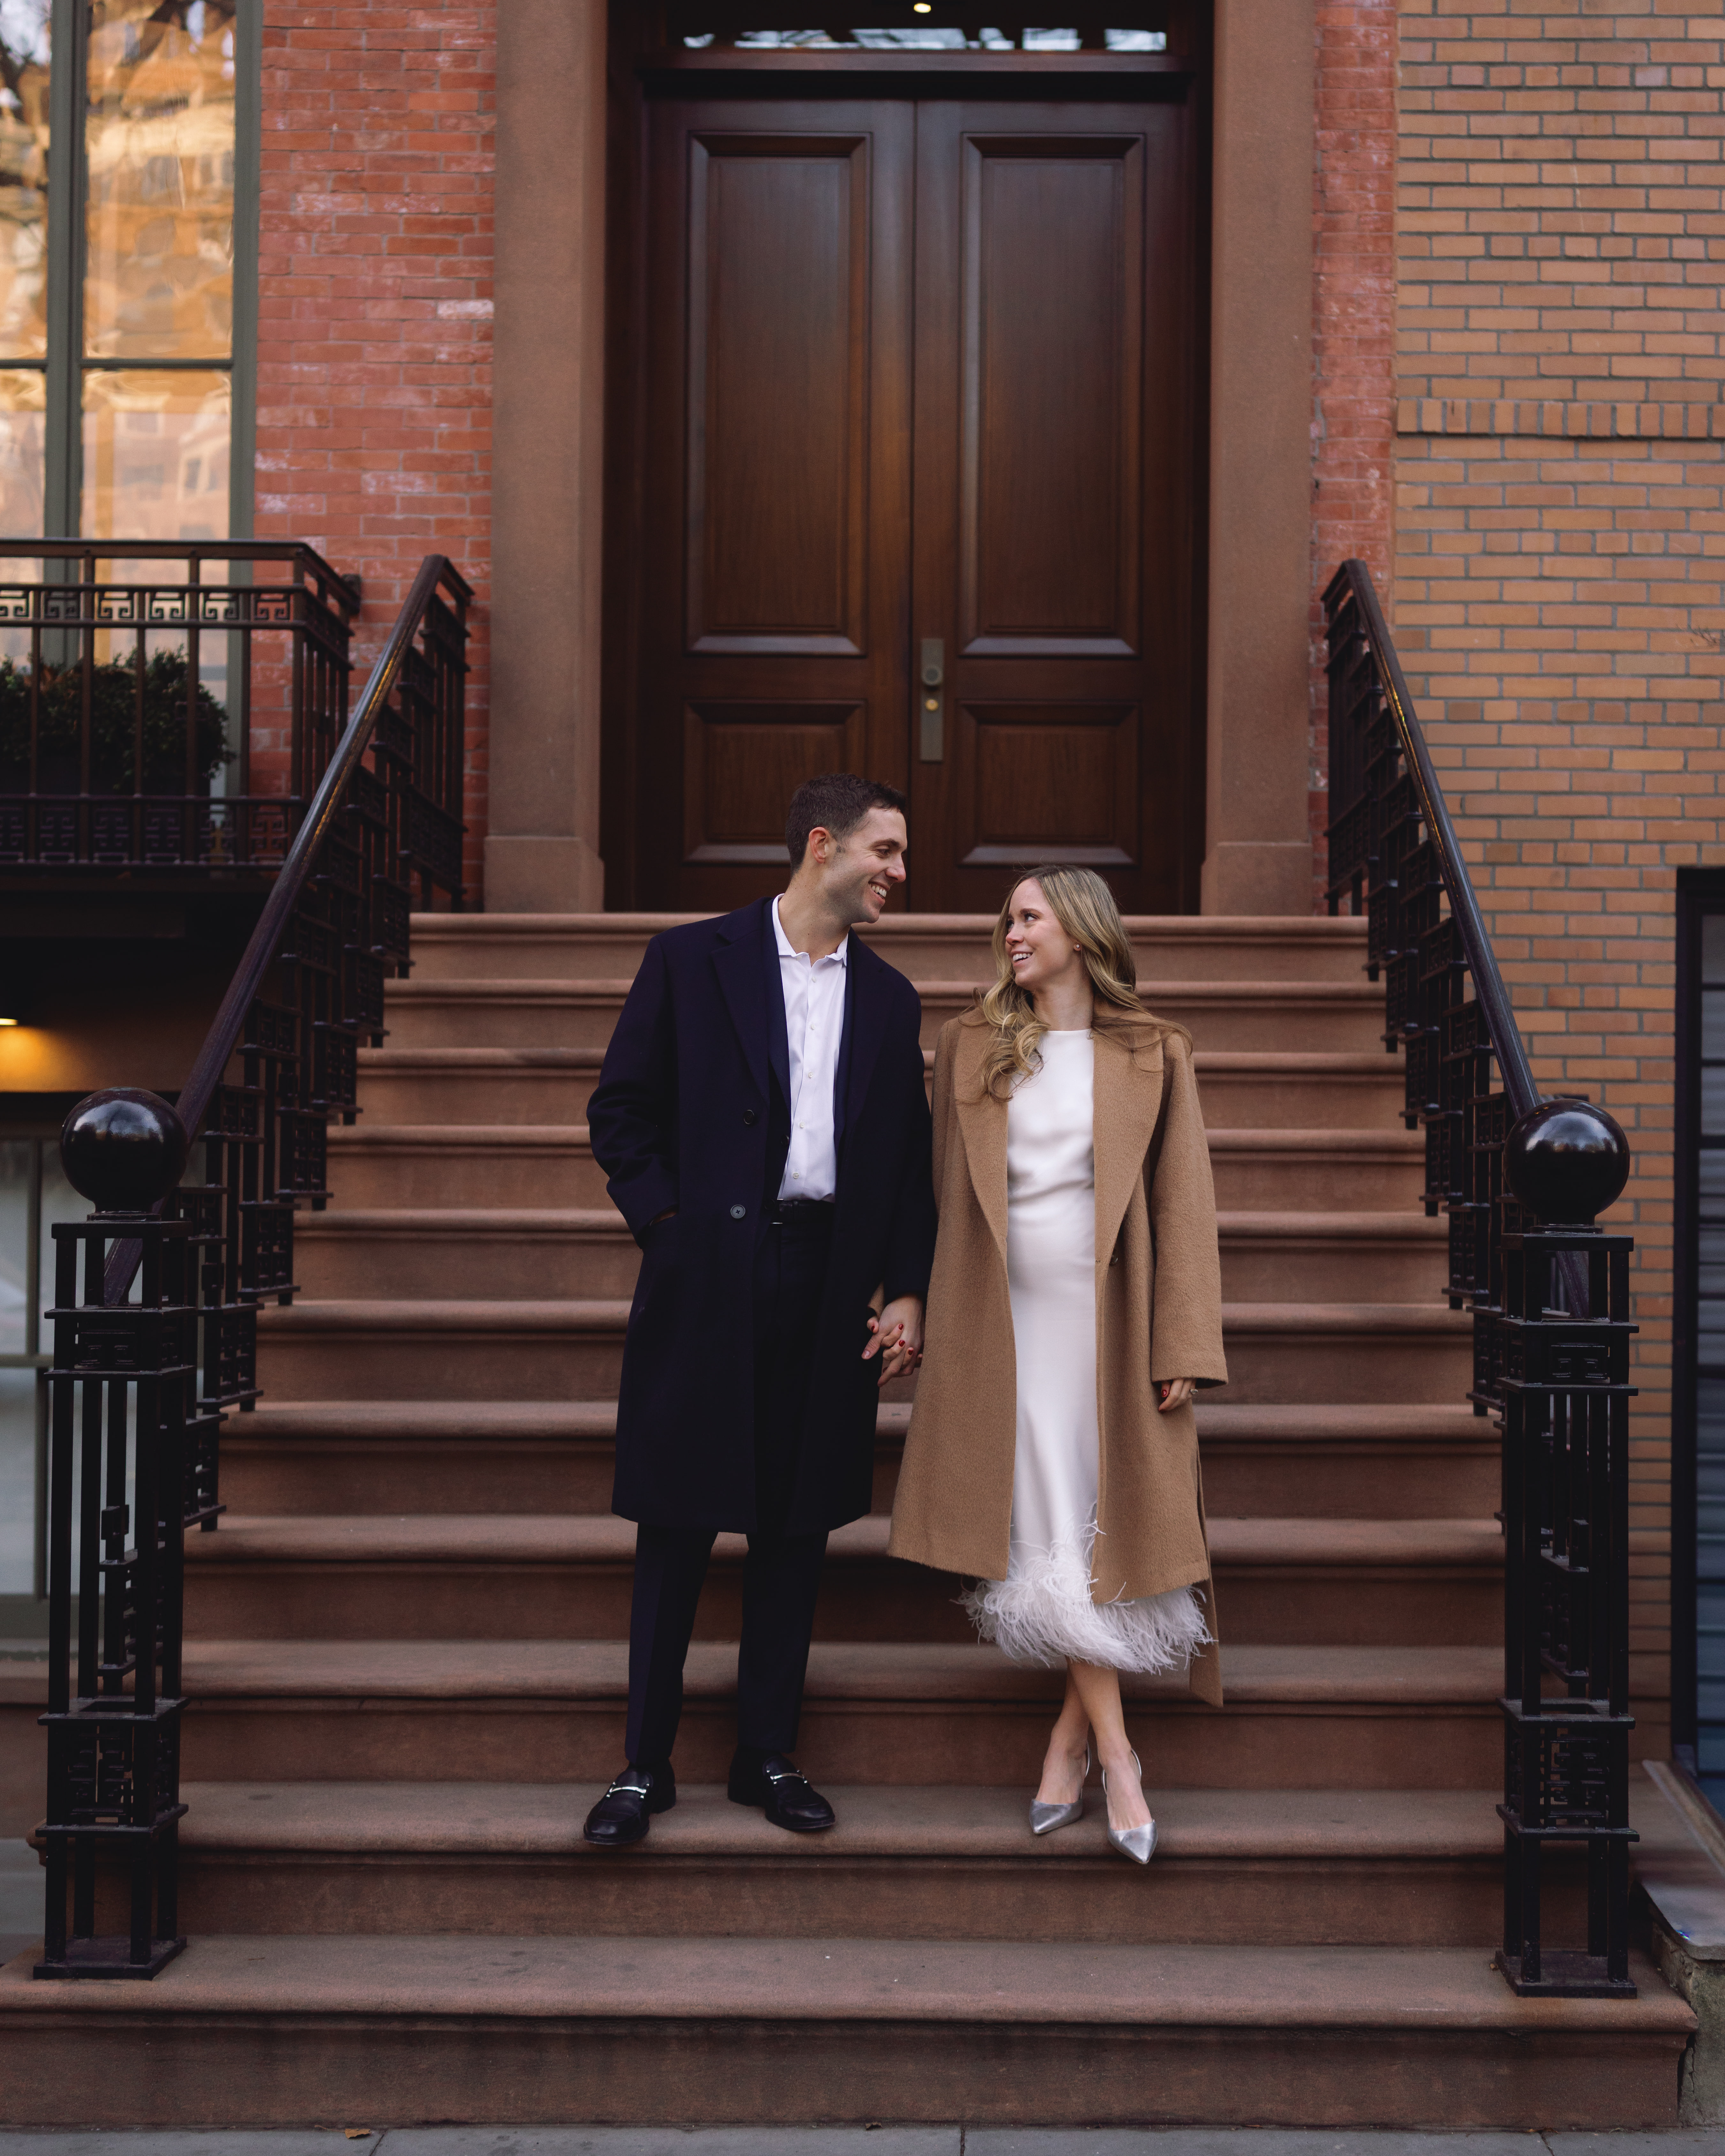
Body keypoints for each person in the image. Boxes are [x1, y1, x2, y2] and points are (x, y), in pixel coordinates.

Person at [582, 773, 937, 1847]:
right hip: (706, 1276)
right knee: (677, 1523)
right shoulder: (689, 959)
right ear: (822, 847)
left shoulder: (892, 997)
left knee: (795, 1528)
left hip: (829, 1282)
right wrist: (671, 1230)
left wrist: (908, 1287)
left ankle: (765, 1755)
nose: (899, 873)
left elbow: (908, 1161)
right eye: (885, 851)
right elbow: (620, 1110)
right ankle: (643, 1766)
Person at [888, 865, 1226, 1864]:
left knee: (1091, 1531)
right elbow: (926, 1190)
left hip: (1107, 1323)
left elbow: (1184, 1207)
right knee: (1043, 1525)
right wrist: (899, 1297)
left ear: (1079, 930)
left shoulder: (1152, 1052)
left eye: (1027, 916)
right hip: (996, 1326)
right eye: (1006, 918)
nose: (1010, 932)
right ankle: (1119, 1758)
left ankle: (1069, 1742)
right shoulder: (969, 1045)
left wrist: (1183, 1343)